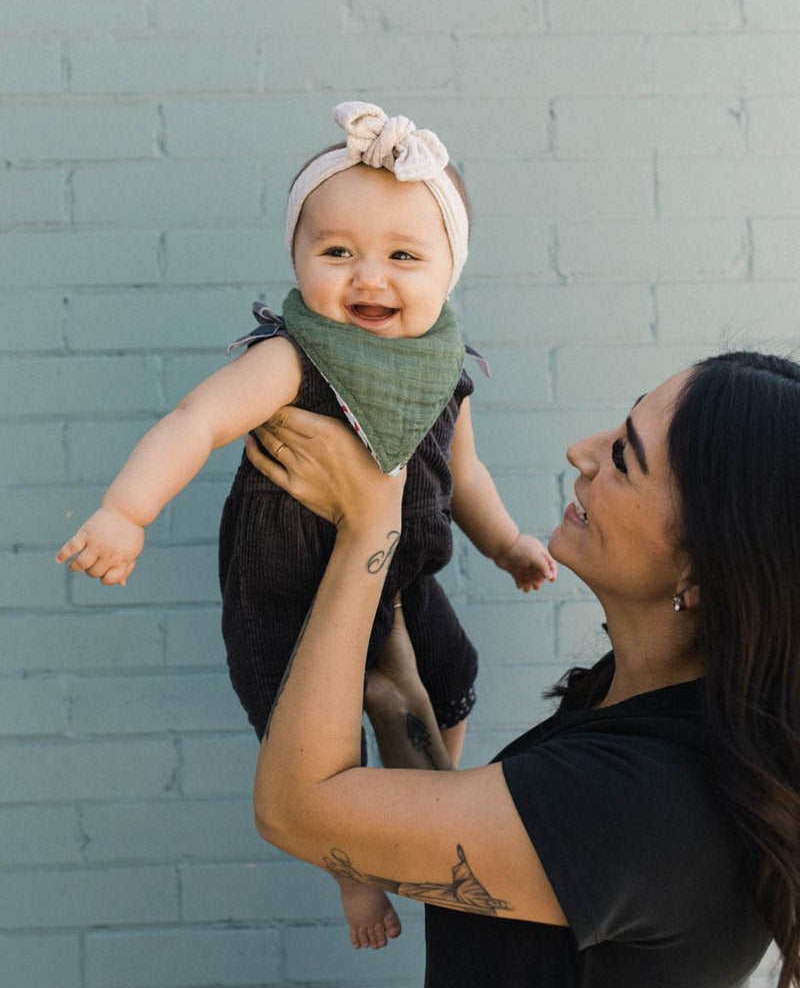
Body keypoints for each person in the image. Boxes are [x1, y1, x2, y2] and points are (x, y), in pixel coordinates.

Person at [54, 101, 556, 949]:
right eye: (337, 253)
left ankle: (422, 805)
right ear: (296, 259)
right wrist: (124, 512)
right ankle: (355, 878)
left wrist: (506, 544)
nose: (368, 277)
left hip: (396, 576)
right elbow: (194, 421)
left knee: (452, 670)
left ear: (449, 272)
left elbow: (463, 473)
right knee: (313, 748)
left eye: (404, 256)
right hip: (285, 588)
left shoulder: (446, 371)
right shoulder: (290, 358)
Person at [244, 349, 800, 987]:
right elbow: (471, 848)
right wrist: (396, 688)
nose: (581, 451)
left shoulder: (642, 801)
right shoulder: (650, 712)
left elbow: (293, 809)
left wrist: (369, 529)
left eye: (623, 457)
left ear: (698, 570)